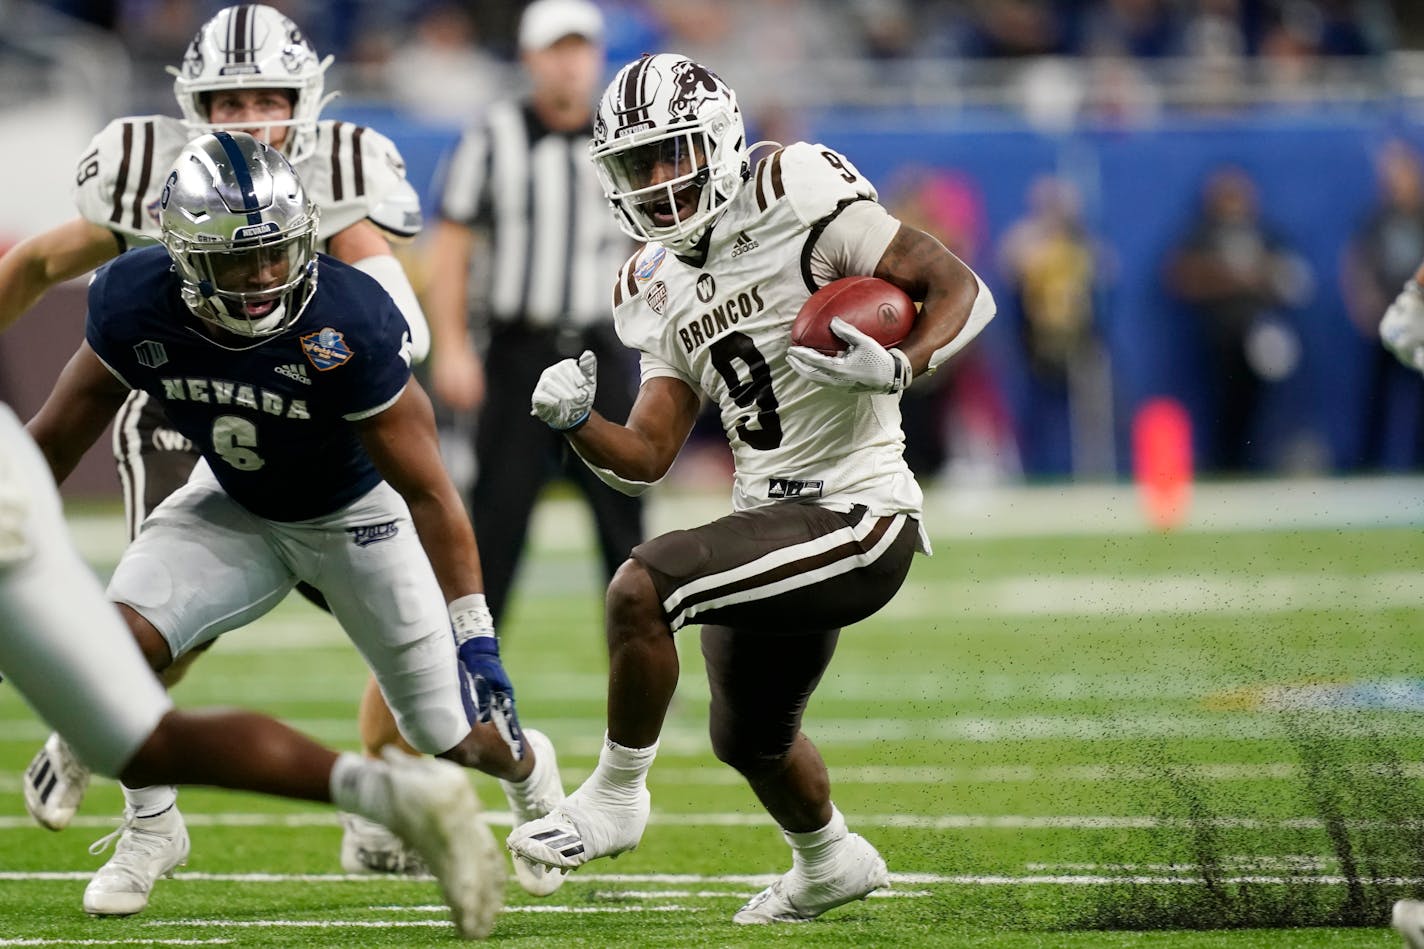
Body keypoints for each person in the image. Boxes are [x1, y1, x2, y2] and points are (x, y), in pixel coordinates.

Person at [23, 131, 564, 917]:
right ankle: (151, 827)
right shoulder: (134, 300)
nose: (265, 275)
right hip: (235, 504)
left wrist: (477, 640)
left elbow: (432, 492)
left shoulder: (348, 320)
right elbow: (53, 441)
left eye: (276, 252)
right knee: (115, 647)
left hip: (357, 517)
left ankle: (529, 772)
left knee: (453, 730)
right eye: (241, 260)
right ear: (184, 258)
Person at [507, 53, 996, 924]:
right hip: (774, 516)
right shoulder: (650, 280)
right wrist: (576, 422)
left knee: (643, 585)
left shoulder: (794, 188)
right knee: (749, 734)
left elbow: (959, 286)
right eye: (636, 166)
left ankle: (617, 796)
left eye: (672, 154)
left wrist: (903, 364)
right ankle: (831, 859)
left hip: (859, 510)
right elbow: (650, 450)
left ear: (720, 138)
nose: (657, 184)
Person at [0, 4, 449, 879]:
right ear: (193, 106)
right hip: (179, 397)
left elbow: (402, 326)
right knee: (163, 614)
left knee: (418, 622)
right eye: (228, 102)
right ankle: (145, 808)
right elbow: (40, 263)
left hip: (308, 413)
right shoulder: (150, 168)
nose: (249, 120)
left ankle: (384, 802)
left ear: (305, 96)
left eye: (266, 99)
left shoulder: (342, 165)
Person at [0, 400, 501, 940]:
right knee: (144, 652)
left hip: (304, 458)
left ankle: (388, 797)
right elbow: (64, 416)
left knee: (137, 711)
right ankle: (153, 819)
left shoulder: (358, 326)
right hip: (177, 413)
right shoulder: (138, 319)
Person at [426, 0, 642, 629]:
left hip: (602, 349)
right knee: (498, 514)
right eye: (557, 49)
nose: (570, 63)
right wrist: (453, 344)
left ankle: (642, 659)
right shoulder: (494, 135)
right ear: (530, 58)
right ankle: (476, 662)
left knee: (621, 516)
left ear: (597, 55)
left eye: (580, 48)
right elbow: (454, 244)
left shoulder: (625, 139)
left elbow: (653, 247)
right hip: (519, 350)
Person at [1164, 166, 1312, 473]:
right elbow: (1182, 276)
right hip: (1218, 335)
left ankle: (1250, 462)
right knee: (1222, 403)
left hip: (1260, 334)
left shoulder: (1265, 233)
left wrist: (1264, 276)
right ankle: (1224, 464)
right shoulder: (1202, 234)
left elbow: (1291, 278)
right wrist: (1235, 278)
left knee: (1256, 403)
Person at [1343, 140, 1424, 468]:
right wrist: (1365, 301)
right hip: (1388, 313)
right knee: (1377, 392)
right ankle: (1368, 462)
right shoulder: (1377, 219)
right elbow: (1358, 262)